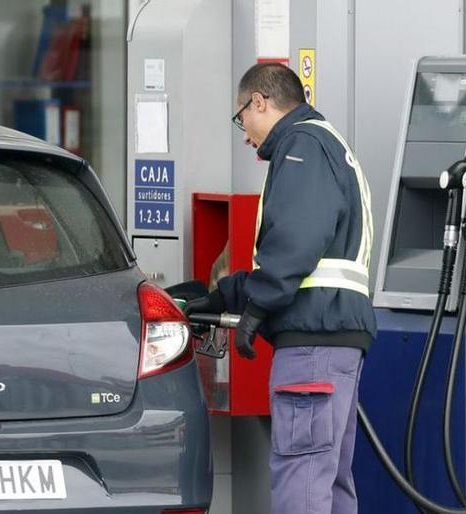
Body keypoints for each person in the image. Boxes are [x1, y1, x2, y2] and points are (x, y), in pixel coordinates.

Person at [186, 62, 376, 514]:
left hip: (312, 346)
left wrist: (259, 305)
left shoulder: (302, 145)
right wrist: (225, 295)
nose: (246, 135)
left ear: (259, 102)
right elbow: (307, 252)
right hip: (335, 342)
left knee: (303, 484)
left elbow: (297, 239)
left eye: (242, 120)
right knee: (329, 486)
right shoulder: (325, 144)